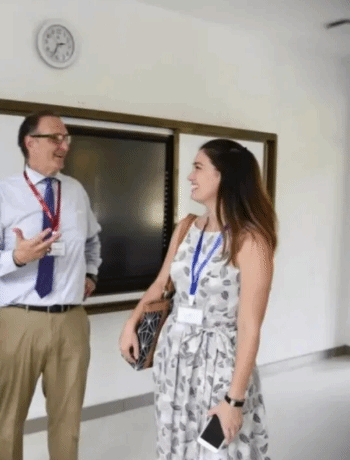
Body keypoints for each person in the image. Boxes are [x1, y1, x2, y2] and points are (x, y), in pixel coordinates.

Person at [120, 139, 276, 459]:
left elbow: (249, 327)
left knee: (217, 450)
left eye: (198, 168)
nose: (190, 176)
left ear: (223, 176)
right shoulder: (187, 227)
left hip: (220, 364)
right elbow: (160, 285)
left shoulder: (251, 241)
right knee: (176, 444)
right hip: (174, 358)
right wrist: (131, 323)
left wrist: (234, 400)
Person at [0, 110, 102, 460]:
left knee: (68, 420)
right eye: (55, 138)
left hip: (71, 320)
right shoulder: (2, 193)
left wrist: (90, 274)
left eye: (66, 138)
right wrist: (17, 257)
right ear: (30, 142)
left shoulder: (75, 191)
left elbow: (92, 241)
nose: (64, 146)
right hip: (20, 319)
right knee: (10, 419)